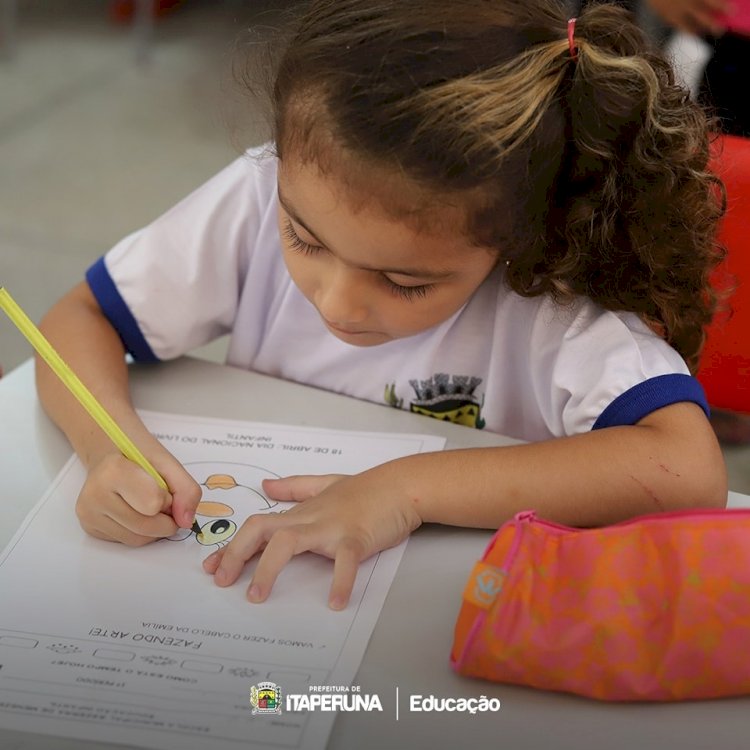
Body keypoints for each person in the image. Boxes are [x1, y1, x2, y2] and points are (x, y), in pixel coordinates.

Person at [37, 0, 728, 610]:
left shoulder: (546, 295)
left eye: (405, 282)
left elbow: (689, 473)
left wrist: (404, 491)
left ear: (518, 241)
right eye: (302, 237)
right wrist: (107, 450)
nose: (337, 304)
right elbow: (79, 318)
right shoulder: (257, 194)